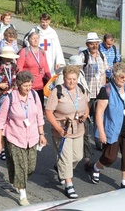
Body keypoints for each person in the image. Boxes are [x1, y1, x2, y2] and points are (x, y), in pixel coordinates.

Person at [0, 71, 46, 206]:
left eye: (30, 85)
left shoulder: (34, 96)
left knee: (31, 167)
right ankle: (22, 193)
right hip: (15, 137)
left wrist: (41, 134)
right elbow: (0, 121)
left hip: (32, 137)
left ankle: (18, 180)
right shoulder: (9, 99)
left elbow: (39, 115)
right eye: (25, 86)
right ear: (18, 85)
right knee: (21, 166)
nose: (28, 88)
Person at [91, 62, 125, 189]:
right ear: (114, 76)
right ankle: (96, 167)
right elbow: (99, 113)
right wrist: (102, 132)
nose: (124, 80)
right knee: (110, 157)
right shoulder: (107, 90)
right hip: (113, 129)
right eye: (121, 77)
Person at [45, 65, 90, 199]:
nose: (72, 82)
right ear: (64, 79)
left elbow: (86, 105)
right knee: (66, 158)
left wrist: (85, 115)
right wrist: (58, 128)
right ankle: (69, 185)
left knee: (77, 157)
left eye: (74, 79)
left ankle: (61, 168)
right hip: (63, 130)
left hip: (78, 129)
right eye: (69, 79)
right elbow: (48, 112)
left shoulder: (81, 89)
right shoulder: (57, 91)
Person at [17, 31, 51, 107]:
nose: (35, 40)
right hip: (28, 86)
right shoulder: (24, 52)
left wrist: (50, 78)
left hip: (40, 85)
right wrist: (19, 83)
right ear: (29, 40)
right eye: (33, 38)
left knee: (39, 108)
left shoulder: (42, 51)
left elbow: (46, 66)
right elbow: (19, 68)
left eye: (37, 38)